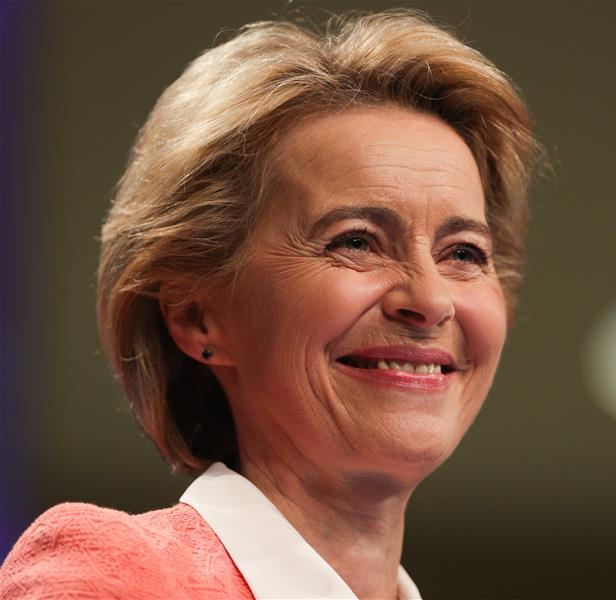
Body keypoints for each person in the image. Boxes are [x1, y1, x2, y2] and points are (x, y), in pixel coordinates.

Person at [0, 10, 539, 599]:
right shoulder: (120, 576)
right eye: (355, 241)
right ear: (196, 316)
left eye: (463, 253)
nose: (431, 301)